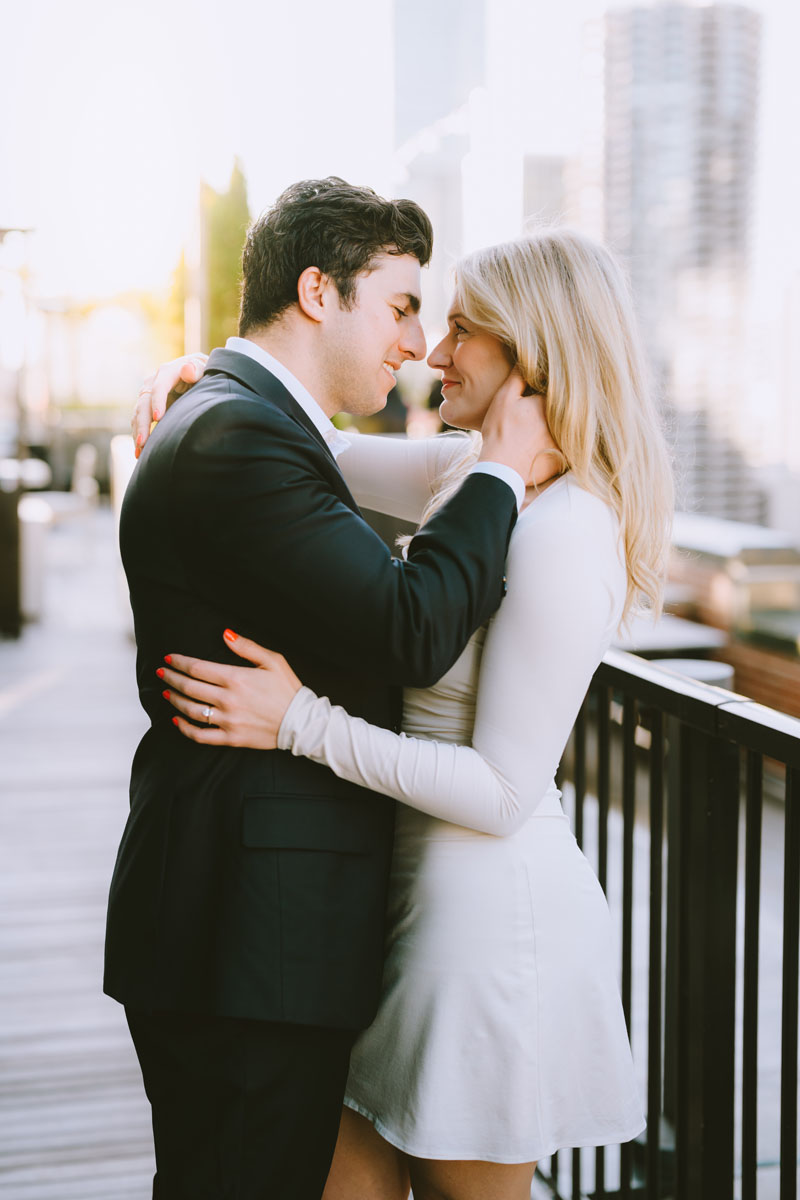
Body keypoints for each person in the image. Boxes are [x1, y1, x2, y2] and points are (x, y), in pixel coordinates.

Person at [136, 227, 674, 1200]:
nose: (430, 353)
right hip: (397, 914)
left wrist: (297, 720)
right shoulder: (471, 474)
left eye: (461, 329)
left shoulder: (565, 530)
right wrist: (204, 375)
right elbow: (324, 448)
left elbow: (506, 791)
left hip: (482, 930)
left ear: (529, 353)